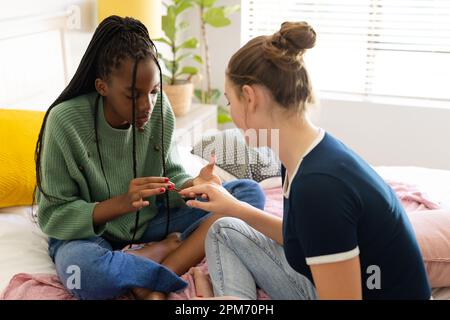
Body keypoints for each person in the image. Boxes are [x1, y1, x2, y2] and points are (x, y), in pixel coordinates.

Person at [179, 21, 431, 300]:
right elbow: (302, 238)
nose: (230, 114)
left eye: (230, 101)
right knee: (224, 228)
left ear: (249, 98)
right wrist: (234, 206)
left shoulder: (319, 186)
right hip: (330, 283)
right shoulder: (306, 154)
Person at [34, 16, 265, 300]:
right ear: (102, 86)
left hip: (151, 220)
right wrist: (120, 204)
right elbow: (53, 214)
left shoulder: (159, 109)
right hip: (89, 235)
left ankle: (164, 269)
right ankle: (160, 251)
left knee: (247, 194)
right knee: (84, 276)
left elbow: (170, 176)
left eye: (154, 92)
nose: (147, 105)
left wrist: (194, 185)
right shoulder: (64, 121)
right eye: (133, 95)